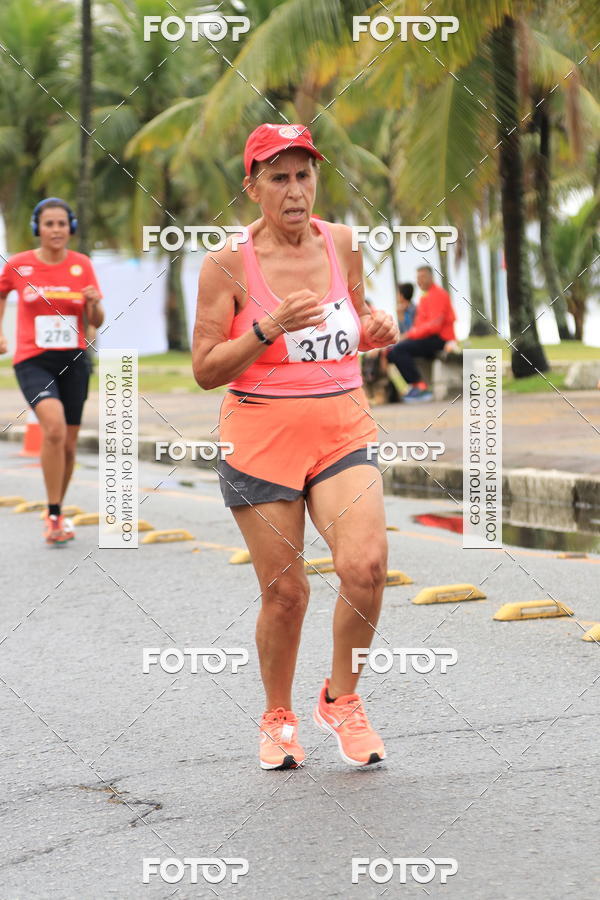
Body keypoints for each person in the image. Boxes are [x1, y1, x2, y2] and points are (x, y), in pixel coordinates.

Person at [192, 123, 399, 770]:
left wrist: (377, 328)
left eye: (304, 175)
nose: (294, 190)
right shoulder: (226, 264)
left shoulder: (343, 243)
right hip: (261, 438)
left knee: (366, 568)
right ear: (252, 188)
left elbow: (355, 323)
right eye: (278, 178)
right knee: (286, 593)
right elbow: (205, 368)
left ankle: (341, 699)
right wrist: (268, 327)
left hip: (342, 429)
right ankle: (278, 716)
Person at [0, 197, 104, 544]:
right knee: (54, 428)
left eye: (62, 224)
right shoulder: (19, 265)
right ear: (38, 228)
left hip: (74, 360)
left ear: (70, 228)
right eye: (49, 224)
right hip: (33, 360)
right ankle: (55, 515)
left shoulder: (81, 264)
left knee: (69, 445)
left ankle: (55, 507)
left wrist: (93, 303)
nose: (56, 230)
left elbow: (96, 320)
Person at [386, 265, 456, 401]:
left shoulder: (439, 294)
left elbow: (434, 326)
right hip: (427, 338)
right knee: (391, 351)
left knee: (399, 349)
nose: (420, 281)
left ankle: (420, 387)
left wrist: (409, 335)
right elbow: (418, 326)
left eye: (423, 277)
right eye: (418, 278)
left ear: (431, 277)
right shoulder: (424, 297)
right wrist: (408, 335)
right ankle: (411, 387)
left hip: (440, 339)